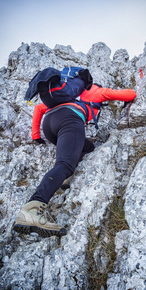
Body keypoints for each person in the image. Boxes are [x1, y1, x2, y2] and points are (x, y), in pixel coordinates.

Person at [13, 83, 136, 238]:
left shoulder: (63, 94)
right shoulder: (96, 91)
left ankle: (64, 179)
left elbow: (38, 108)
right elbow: (130, 94)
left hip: (50, 125)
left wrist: (36, 135)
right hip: (69, 120)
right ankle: (31, 210)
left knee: (88, 147)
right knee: (64, 165)